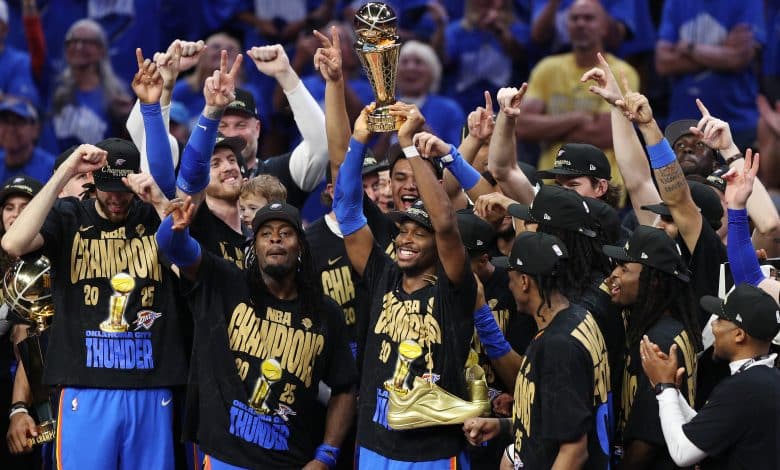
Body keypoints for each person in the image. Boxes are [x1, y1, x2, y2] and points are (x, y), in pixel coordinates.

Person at [0, 140, 188, 468]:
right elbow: (13, 242)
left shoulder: (153, 216)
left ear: (134, 179)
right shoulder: (69, 215)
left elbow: (191, 273)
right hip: (83, 386)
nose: (115, 198)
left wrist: (159, 202)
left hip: (152, 384)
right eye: (106, 187)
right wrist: (65, 172)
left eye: (122, 188)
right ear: (92, 181)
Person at [155, 198, 358, 469]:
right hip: (224, 456)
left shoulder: (325, 313)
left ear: (300, 245)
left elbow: (344, 388)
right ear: (255, 245)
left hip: (290, 460)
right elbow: (176, 249)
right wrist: (175, 231)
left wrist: (327, 454)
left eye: (285, 233)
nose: (275, 239)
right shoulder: (225, 283)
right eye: (266, 234)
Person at [333, 100, 479, 467]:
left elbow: (445, 223)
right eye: (402, 230)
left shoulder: (453, 288)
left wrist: (409, 145)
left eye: (419, 233)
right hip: (373, 441)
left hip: (430, 451)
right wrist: (358, 140)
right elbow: (348, 211)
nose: (406, 239)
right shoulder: (383, 274)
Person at [463, 230, 611, 469]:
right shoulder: (579, 318)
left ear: (524, 282)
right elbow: (561, 419)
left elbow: (573, 452)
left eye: (511, 277)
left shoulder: (559, 346)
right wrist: (504, 426)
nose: (508, 285)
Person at [641, 283, 780, 469]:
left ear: (739, 335)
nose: (713, 325)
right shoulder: (766, 378)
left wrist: (663, 388)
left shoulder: (744, 388)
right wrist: (672, 390)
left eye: (721, 319)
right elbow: (708, 429)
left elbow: (683, 452)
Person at [602, 226, 702, 468]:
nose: (613, 275)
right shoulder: (664, 325)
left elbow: (647, 442)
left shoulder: (658, 342)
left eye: (624, 269)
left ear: (653, 281)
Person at [517, 0, 638, 191]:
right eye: (574, 18)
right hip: (552, 185)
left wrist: (549, 129)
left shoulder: (622, 72)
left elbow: (608, 133)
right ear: (567, 25)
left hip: (603, 187)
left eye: (589, 18)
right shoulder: (546, 68)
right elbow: (523, 126)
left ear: (604, 27)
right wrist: (579, 119)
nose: (581, 23)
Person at [655, 0, 765, 151]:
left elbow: (738, 58)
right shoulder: (675, 2)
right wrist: (722, 50)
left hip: (737, 125)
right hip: (683, 126)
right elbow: (663, 63)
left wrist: (689, 47)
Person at [50, 19, 132, 151]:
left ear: (101, 50)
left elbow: (125, 147)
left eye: (87, 42)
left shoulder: (116, 94)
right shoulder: (54, 87)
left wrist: (128, 121)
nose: (78, 47)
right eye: (73, 41)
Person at [398, 40, 465, 147]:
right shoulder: (383, 108)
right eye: (404, 62)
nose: (410, 68)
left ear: (433, 72)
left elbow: (458, 157)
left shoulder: (449, 110)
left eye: (418, 62)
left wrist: (420, 129)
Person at [0, 100, 53, 184]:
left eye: (18, 122)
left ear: (36, 129)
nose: (10, 129)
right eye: (5, 121)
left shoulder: (52, 170)